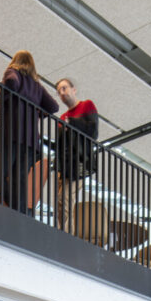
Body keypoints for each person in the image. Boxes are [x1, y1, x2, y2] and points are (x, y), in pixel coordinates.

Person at [0, 50, 58, 214]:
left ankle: (18, 211)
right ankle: (21, 214)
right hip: (30, 141)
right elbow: (53, 107)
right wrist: (36, 113)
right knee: (19, 181)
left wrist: (0, 98)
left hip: (11, 134)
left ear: (15, 61)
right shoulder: (37, 87)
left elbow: (12, 83)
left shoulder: (12, 72)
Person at [52, 77, 98, 233]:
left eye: (64, 88)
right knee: (62, 202)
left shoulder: (86, 106)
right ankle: (63, 232)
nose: (62, 93)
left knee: (63, 199)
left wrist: (71, 124)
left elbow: (93, 132)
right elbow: (59, 144)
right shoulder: (62, 117)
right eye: (59, 91)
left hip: (78, 163)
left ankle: (65, 235)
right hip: (64, 165)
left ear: (73, 89)